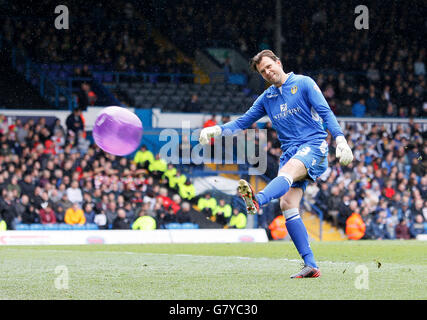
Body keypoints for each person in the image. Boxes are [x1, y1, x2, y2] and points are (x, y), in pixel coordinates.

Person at [199, 50, 354, 278]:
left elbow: (325, 112)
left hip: (313, 146)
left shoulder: (303, 83)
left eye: (270, 67)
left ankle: (257, 199)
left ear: (278, 63)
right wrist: (218, 129)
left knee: (289, 172)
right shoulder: (267, 98)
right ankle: (310, 264)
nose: (268, 72)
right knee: (287, 204)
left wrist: (340, 140)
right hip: (291, 152)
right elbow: (244, 121)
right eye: (263, 72)